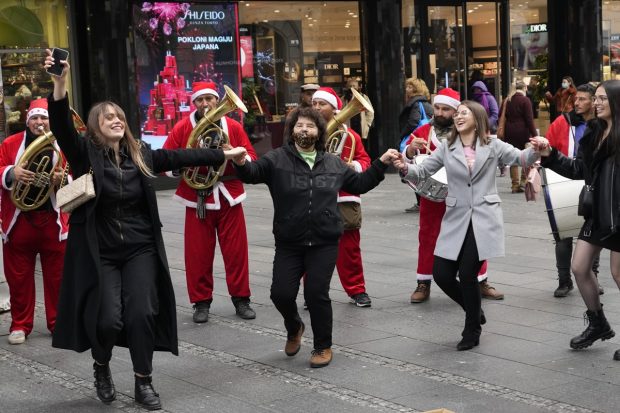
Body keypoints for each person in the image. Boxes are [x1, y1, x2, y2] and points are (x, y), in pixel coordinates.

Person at [44, 51, 247, 409]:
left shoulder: (142, 155)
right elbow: (60, 125)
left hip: (140, 250)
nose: (116, 120)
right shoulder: (84, 155)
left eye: (119, 116)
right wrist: (60, 84)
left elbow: (180, 157)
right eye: (107, 118)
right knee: (107, 318)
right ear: (95, 127)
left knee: (142, 314)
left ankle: (143, 381)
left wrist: (223, 156)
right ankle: (102, 366)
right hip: (101, 252)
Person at [232, 106, 398, 367]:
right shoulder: (276, 159)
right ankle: (294, 326)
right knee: (281, 294)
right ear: (291, 130)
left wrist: (381, 162)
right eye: (299, 125)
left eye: (310, 126)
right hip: (289, 241)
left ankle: (322, 346)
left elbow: (360, 184)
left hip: (324, 241)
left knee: (315, 293)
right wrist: (241, 162)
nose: (304, 130)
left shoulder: (332, 162)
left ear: (319, 131)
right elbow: (252, 174)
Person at [397, 100, 541, 350]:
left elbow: (521, 157)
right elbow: (422, 172)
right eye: (457, 114)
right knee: (441, 273)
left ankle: (471, 329)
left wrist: (539, 147)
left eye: (464, 113)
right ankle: (474, 311)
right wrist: (403, 167)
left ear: (477, 117)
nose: (458, 117)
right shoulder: (447, 147)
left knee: (467, 274)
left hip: (484, 217)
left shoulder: (493, 145)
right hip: (455, 217)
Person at [534, 80, 620, 359]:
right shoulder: (593, 133)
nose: (596, 103)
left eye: (602, 99)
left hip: (618, 216)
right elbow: (578, 170)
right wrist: (549, 155)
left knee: (618, 274)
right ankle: (598, 323)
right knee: (580, 267)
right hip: (597, 214)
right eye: (595, 99)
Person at [163, 81, 258, 324]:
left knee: (237, 252)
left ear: (217, 100)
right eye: (200, 100)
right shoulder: (183, 127)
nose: (205, 104)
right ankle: (201, 302)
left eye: (210, 99)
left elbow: (252, 158)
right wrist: (183, 162)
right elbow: (165, 160)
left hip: (229, 195)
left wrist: (235, 153)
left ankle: (241, 299)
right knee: (198, 254)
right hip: (197, 197)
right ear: (193, 103)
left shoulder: (233, 127)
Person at [402, 88, 503, 303]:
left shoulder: (468, 133)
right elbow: (406, 151)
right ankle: (423, 282)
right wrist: (410, 150)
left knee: (476, 236)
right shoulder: (423, 131)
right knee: (428, 236)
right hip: (433, 196)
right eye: (437, 108)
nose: (439, 113)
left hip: (466, 196)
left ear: (457, 111)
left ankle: (480, 279)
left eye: (445, 109)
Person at [0, 98, 69, 345]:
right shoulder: (10, 143)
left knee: (58, 278)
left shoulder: (63, 143)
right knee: (18, 278)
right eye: (35, 118)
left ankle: (58, 322)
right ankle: (20, 324)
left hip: (53, 219)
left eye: (44, 118)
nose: (39, 123)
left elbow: (79, 174)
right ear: (27, 119)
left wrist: (62, 178)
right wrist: (12, 172)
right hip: (19, 221)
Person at [313, 87, 373, 307]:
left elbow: (364, 161)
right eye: (315, 104)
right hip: (316, 197)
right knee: (313, 249)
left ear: (334, 107)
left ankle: (357, 290)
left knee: (350, 250)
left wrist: (351, 165)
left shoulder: (351, 136)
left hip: (345, 198)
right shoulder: (305, 132)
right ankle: (314, 292)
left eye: (323, 104)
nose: (318, 107)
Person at [545, 83, 603, 297]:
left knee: (593, 233)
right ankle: (564, 280)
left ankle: (592, 277)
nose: (576, 103)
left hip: (592, 186)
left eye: (582, 99)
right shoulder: (563, 121)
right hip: (565, 179)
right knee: (563, 233)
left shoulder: (604, 127)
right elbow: (549, 147)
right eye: (575, 98)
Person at [398, 77, 433, 213]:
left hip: (416, 140)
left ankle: (421, 201)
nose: (406, 89)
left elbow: (413, 121)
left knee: (414, 168)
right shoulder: (426, 103)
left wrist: (402, 135)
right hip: (425, 140)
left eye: (409, 87)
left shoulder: (415, 103)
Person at [500, 81, 537, 193]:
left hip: (509, 131)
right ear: (525, 88)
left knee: (512, 157)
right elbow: (529, 120)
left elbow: (500, 116)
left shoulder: (507, 100)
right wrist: (535, 135)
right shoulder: (525, 100)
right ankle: (523, 182)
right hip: (523, 131)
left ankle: (514, 185)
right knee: (526, 157)